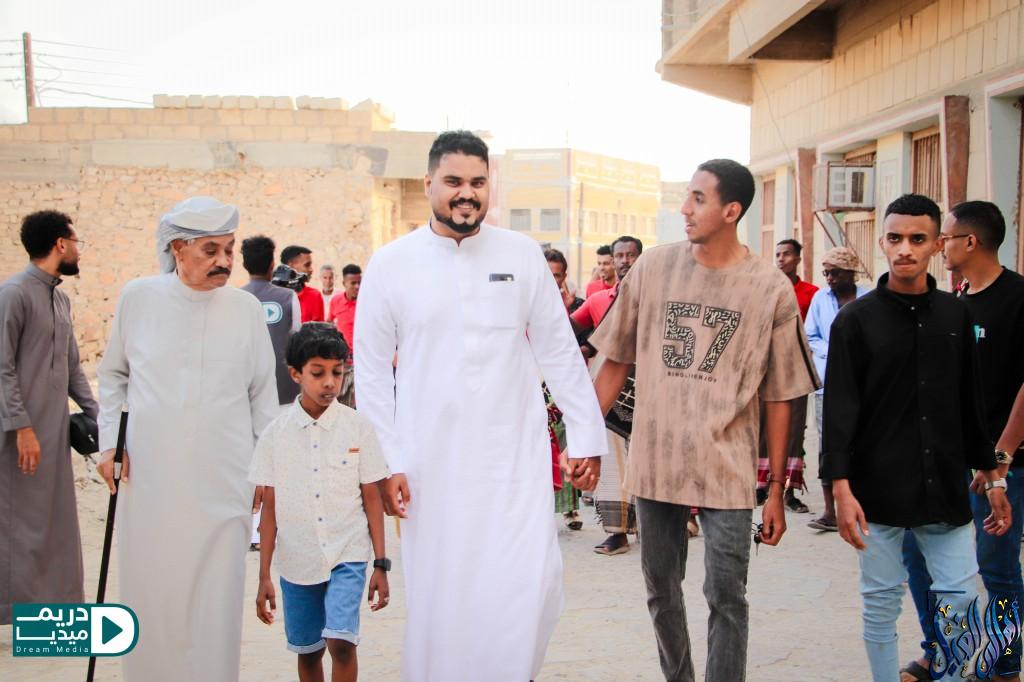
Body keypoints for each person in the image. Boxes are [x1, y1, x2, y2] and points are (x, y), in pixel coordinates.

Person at [355, 130, 606, 681]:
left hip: (512, 457)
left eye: (477, 182)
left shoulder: (520, 254)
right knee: (443, 592)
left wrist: (586, 436)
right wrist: (385, 461)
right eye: (453, 181)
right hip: (428, 462)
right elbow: (371, 373)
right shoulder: (391, 263)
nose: (466, 193)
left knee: (534, 583)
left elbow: (559, 350)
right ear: (429, 183)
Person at [591, 158, 819, 682]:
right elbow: (615, 360)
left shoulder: (769, 287)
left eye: (698, 198)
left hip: (728, 467)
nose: (684, 208)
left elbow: (781, 396)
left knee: (727, 595)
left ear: (731, 211)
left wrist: (777, 489)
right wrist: (581, 441)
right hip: (656, 460)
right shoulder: (653, 269)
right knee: (660, 589)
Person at [821, 194, 1011, 682]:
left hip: (944, 484)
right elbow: (839, 411)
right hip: (876, 490)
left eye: (917, 239)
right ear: (883, 243)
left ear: (936, 245)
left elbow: (970, 403)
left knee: (961, 598)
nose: (905, 248)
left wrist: (993, 478)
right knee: (881, 601)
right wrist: (840, 488)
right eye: (895, 238)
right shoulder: (854, 321)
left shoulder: (955, 315)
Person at [96, 196, 279, 681]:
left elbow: (263, 394)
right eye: (210, 250)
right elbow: (113, 376)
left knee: (217, 598)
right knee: (152, 589)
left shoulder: (245, 309)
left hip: (226, 477)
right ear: (177, 249)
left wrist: (266, 468)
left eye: (229, 249)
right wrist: (110, 443)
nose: (224, 261)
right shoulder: (139, 298)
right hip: (150, 479)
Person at [899, 200, 1024, 682]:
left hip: (1005, 464)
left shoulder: (1018, 298)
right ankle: (942, 649)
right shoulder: (952, 302)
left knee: (998, 568)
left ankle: (1005, 665)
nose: (938, 247)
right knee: (918, 555)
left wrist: (1000, 459)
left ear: (970, 242)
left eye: (944, 238)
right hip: (947, 460)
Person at [251, 323, 390, 682]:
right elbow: (270, 510)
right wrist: (264, 576)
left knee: (341, 642)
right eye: (318, 373)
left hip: (348, 552)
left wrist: (381, 563)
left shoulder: (359, 428)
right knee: (309, 650)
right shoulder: (275, 436)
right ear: (295, 373)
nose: (330, 382)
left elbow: (372, 497)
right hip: (297, 560)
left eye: (337, 372)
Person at [0, 210, 97, 624]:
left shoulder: (60, 299)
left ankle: (53, 613)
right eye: (76, 242)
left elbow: (72, 367)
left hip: (53, 432)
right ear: (61, 244)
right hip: (19, 436)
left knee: (55, 524)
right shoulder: (13, 294)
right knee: (17, 525)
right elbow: (2, 367)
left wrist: (98, 415)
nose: (78, 251)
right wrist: (21, 426)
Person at [572, 235, 643, 555]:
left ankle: (654, 528)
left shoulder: (654, 297)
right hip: (610, 391)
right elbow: (568, 329)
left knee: (648, 460)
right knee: (613, 461)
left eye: (631, 255)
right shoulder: (599, 300)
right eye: (620, 256)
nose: (625, 261)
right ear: (612, 261)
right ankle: (617, 533)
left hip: (649, 390)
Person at [803, 247, 868, 532]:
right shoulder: (820, 298)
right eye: (826, 273)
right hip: (828, 383)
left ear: (850, 272)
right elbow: (810, 335)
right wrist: (834, 351)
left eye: (835, 273)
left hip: (863, 383)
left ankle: (862, 503)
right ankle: (830, 511)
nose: (829, 278)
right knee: (828, 445)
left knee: (862, 442)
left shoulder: (868, 298)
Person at [755, 239, 820, 512]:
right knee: (763, 426)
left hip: (796, 367)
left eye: (787, 254)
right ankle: (761, 485)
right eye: (778, 254)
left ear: (798, 258)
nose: (781, 259)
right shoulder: (766, 289)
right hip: (768, 365)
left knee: (794, 429)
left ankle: (790, 491)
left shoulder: (812, 293)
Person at [543, 248, 585, 531]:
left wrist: (567, 311)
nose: (551, 280)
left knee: (565, 438)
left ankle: (570, 507)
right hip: (534, 381)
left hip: (565, 382)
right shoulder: (524, 301)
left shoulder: (576, 305)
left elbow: (587, 341)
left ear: (564, 276)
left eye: (556, 275)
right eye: (546, 274)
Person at [282, 245, 324, 323]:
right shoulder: (275, 296)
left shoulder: (315, 296)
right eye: (307, 265)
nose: (311, 269)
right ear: (291, 267)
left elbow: (319, 329)